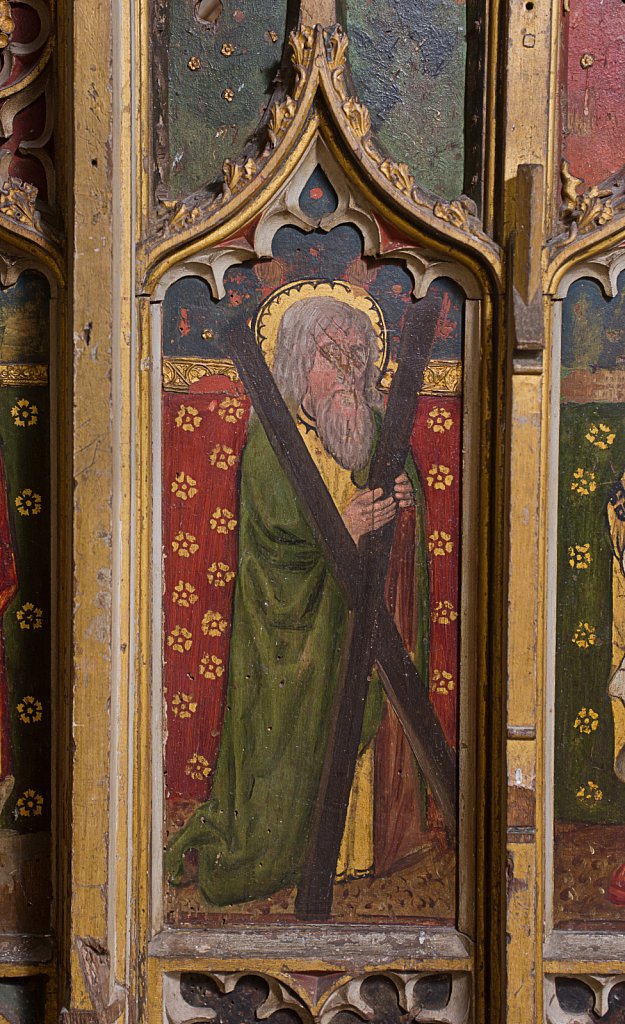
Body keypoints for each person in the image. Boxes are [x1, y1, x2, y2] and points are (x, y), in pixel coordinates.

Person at [165, 296, 429, 906]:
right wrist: (344, 526)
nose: (348, 375)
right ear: (295, 364)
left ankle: (362, 849)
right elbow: (275, 542)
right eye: (330, 357)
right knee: (295, 732)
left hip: (363, 623)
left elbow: (403, 504)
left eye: (358, 358)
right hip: (294, 634)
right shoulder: (272, 442)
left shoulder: (376, 427)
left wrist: (400, 507)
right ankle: (282, 849)